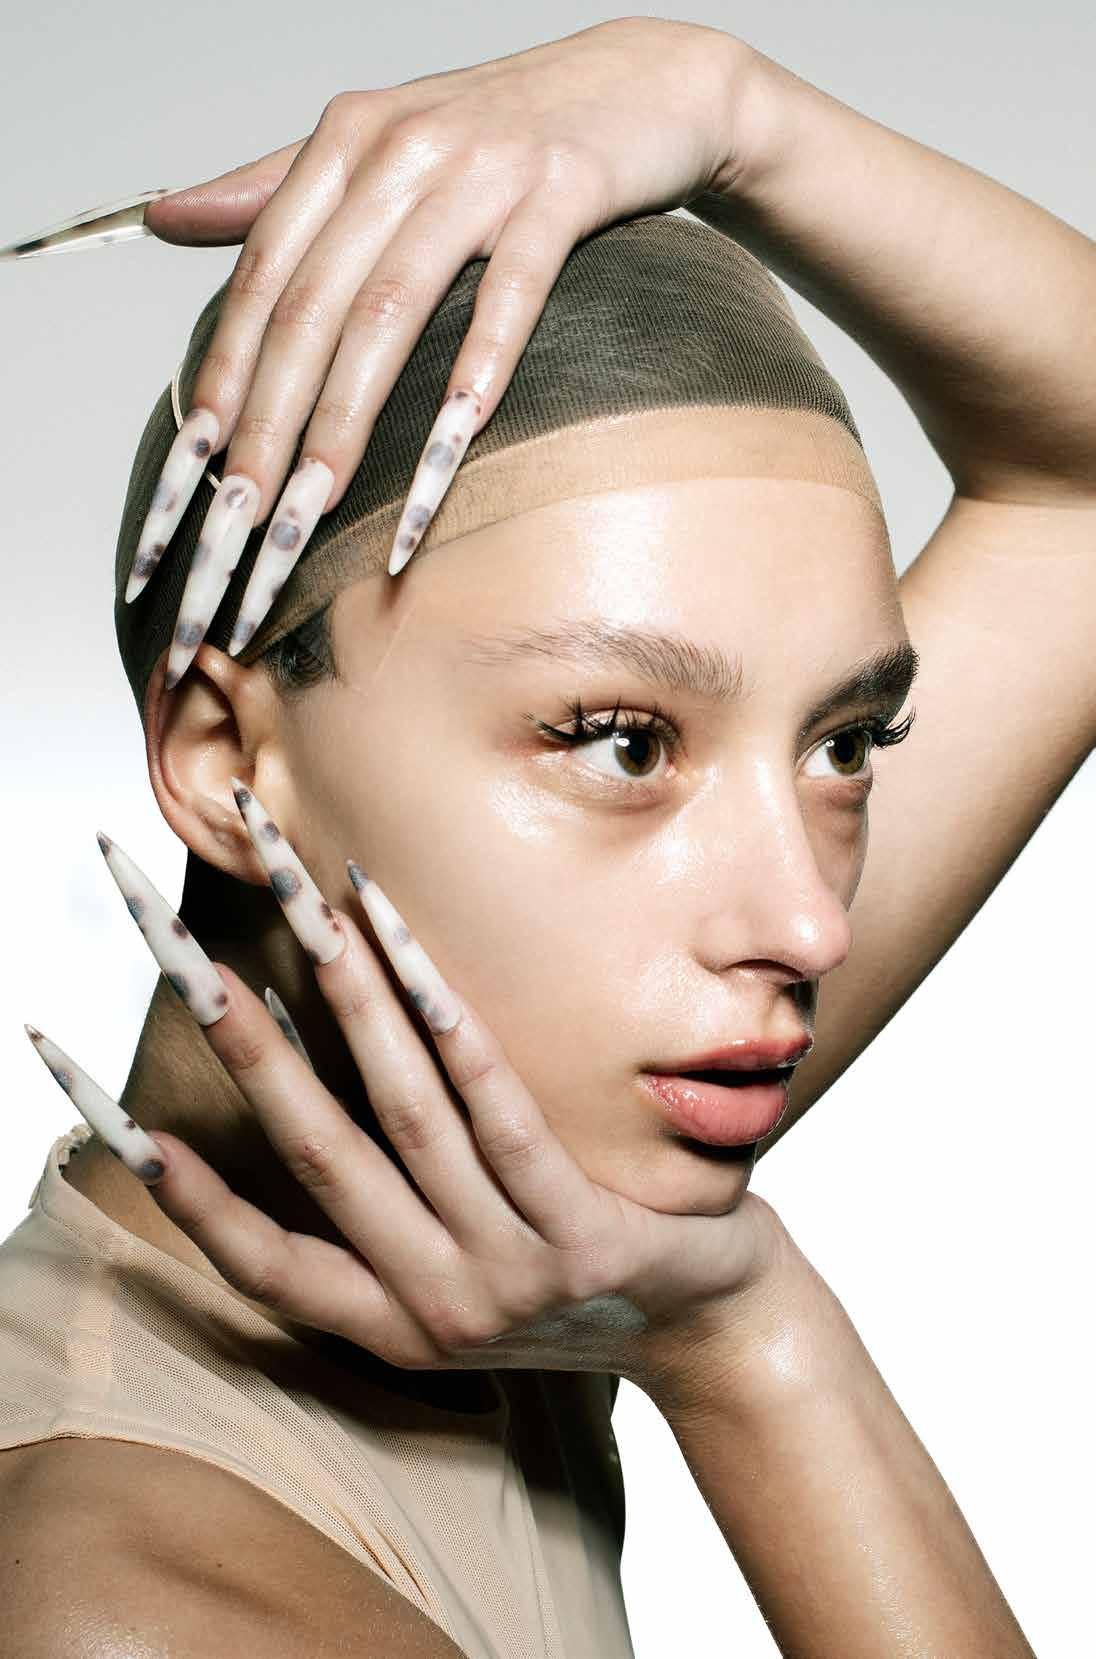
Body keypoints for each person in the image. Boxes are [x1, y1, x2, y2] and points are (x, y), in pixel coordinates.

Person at [2, 16, 1091, 1657]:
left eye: (846, 745)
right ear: (227, 763)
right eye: (624, 743)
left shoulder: (549, 1167)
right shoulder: (136, 1612)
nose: (805, 923)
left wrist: (716, 99)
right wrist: (752, 1348)